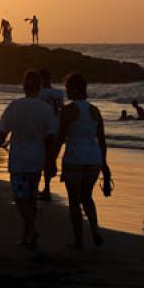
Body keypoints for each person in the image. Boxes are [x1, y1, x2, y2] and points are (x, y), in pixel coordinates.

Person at [0, 70, 52, 248]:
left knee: (20, 198)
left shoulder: (15, 106)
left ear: (24, 86)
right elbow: (50, 138)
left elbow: (2, 133)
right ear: (39, 87)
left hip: (19, 159)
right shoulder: (45, 109)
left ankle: (31, 229)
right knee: (31, 198)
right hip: (37, 159)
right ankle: (27, 233)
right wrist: (50, 160)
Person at [53, 73, 108, 250]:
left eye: (68, 88)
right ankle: (94, 229)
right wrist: (105, 167)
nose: (67, 91)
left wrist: (51, 160)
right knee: (87, 197)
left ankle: (79, 240)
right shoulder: (95, 110)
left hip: (74, 157)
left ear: (75, 89)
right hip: (94, 158)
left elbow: (60, 138)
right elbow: (102, 140)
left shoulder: (68, 110)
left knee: (74, 201)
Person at [38, 69, 64, 201]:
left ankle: (44, 188)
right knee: (51, 159)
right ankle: (47, 187)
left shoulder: (39, 93)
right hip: (57, 129)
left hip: (43, 130)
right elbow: (61, 110)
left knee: (41, 159)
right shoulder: (59, 93)